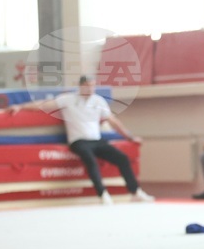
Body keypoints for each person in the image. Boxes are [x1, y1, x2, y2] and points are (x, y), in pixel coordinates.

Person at [8, 75, 153, 205]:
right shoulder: (68, 99)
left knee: (122, 158)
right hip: (78, 141)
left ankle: (135, 192)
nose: (90, 89)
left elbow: (114, 122)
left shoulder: (98, 101)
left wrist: (130, 137)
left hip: (96, 140)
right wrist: (20, 107)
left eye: (93, 86)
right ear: (81, 86)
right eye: (87, 86)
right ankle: (103, 194)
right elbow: (44, 105)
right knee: (90, 160)